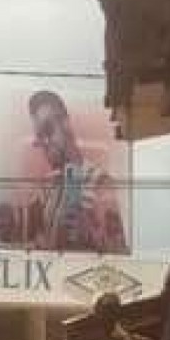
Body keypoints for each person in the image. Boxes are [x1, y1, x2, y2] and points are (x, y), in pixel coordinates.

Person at [23, 90, 126, 254]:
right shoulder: (48, 186)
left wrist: (90, 235)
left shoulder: (100, 183)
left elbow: (119, 250)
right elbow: (43, 241)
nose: (45, 142)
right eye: (39, 137)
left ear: (66, 123)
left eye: (48, 130)